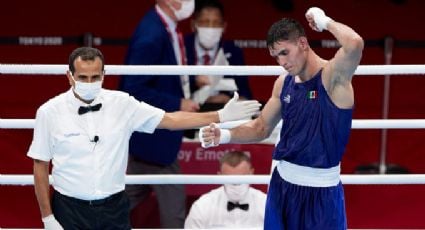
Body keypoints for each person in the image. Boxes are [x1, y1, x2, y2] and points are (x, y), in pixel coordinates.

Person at [27, 47, 261, 230]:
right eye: (83, 77)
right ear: (70, 76)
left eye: (95, 77)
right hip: (69, 208)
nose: (89, 83)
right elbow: (40, 166)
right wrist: (47, 218)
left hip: (114, 208)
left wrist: (219, 115)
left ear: (104, 75)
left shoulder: (122, 104)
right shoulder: (49, 112)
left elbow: (171, 120)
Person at [199, 7, 364, 229]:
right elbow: (261, 128)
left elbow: (354, 43)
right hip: (282, 186)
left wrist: (324, 21)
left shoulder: (332, 78)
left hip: (321, 192)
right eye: (276, 56)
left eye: (285, 52)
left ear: (303, 44)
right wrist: (224, 134)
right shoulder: (283, 83)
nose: (282, 62)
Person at [118, 0, 197, 228]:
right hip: (153, 136)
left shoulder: (163, 26)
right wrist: (178, 102)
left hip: (150, 138)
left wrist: (192, 81)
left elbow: (165, 76)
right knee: (174, 212)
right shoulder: (151, 34)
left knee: (123, 199)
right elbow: (133, 88)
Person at [185, 0, 252, 107]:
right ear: (194, 25)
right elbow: (169, 86)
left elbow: (246, 94)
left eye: (216, 23)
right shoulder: (182, 47)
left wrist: (229, 100)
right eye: (205, 22)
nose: (211, 28)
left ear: (224, 27)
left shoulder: (233, 51)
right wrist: (194, 80)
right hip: (187, 111)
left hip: (221, 112)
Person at [184, 151, 266, 229]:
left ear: (251, 173)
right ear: (219, 176)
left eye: (241, 178)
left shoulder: (266, 204)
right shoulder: (202, 205)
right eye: (229, 179)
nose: (235, 184)